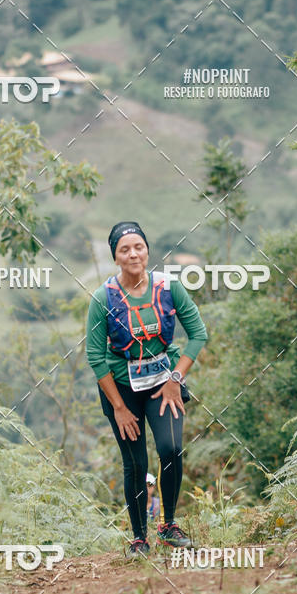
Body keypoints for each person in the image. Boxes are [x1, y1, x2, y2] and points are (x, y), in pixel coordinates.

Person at [86, 220, 208, 555]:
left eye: (138, 246)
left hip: (162, 385)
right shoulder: (103, 299)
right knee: (136, 463)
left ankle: (168, 525)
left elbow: (198, 334)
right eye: (124, 249)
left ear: (147, 250)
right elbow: (95, 357)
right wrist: (119, 408)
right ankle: (139, 538)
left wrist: (175, 380)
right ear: (116, 257)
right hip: (121, 390)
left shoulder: (169, 288)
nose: (133, 253)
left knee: (170, 449)